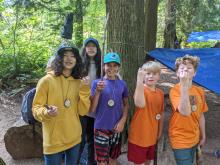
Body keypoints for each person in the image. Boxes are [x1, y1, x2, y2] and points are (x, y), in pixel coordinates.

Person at [32, 42, 90, 165]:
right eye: (65, 55)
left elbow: (82, 111)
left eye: (72, 56)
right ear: (59, 59)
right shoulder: (46, 81)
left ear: (77, 60)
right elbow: (36, 109)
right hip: (53, 140)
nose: (69, 58)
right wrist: (46, 112)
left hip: (74, 137)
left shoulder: (79, 82)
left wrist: (85, 90)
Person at [90, 52, 129, 165]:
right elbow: (92, 109)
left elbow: (126, 104)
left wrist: (123, 121)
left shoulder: (122, 84)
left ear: (118, 67)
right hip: (100, 129)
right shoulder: (97, 83)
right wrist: (97, 92)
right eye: (108, 65)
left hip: (116, 128)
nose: (111, 68)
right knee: (102, 162)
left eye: (114, 65)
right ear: (104, 66)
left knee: (113, 159)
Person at [169, 54, 208, 165]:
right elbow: (185, 112)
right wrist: (185, 86)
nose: (185, 69)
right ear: (177, 73)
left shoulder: (200, 91)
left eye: (189, 68)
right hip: (180, 139)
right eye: (182, 68)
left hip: (195, 138)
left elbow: (200, 115)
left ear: (194, 73)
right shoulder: (174, 91)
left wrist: (203, 135)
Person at [127, 61, 164, 165]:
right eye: (147, 73)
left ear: (159, 76)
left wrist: (159, 130)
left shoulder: (160, 93)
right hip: (139, 137)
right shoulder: (141, 89)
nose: (150, 76)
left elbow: (161, 113)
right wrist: (139, 81)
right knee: (139, 163)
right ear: (143, 75)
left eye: (154, 73)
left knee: (148, 161)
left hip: (152, 136)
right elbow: (140, 104)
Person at [78, 37, 101, 165]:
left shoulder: (101, 65)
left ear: (97, 49)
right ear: (85, 49)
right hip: (83, 106)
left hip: (96, 107)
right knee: (80, 138)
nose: (91, 48)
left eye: (94, 46)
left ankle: (91, 162)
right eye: (88, 46)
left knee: (92, 138)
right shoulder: (80, 64)